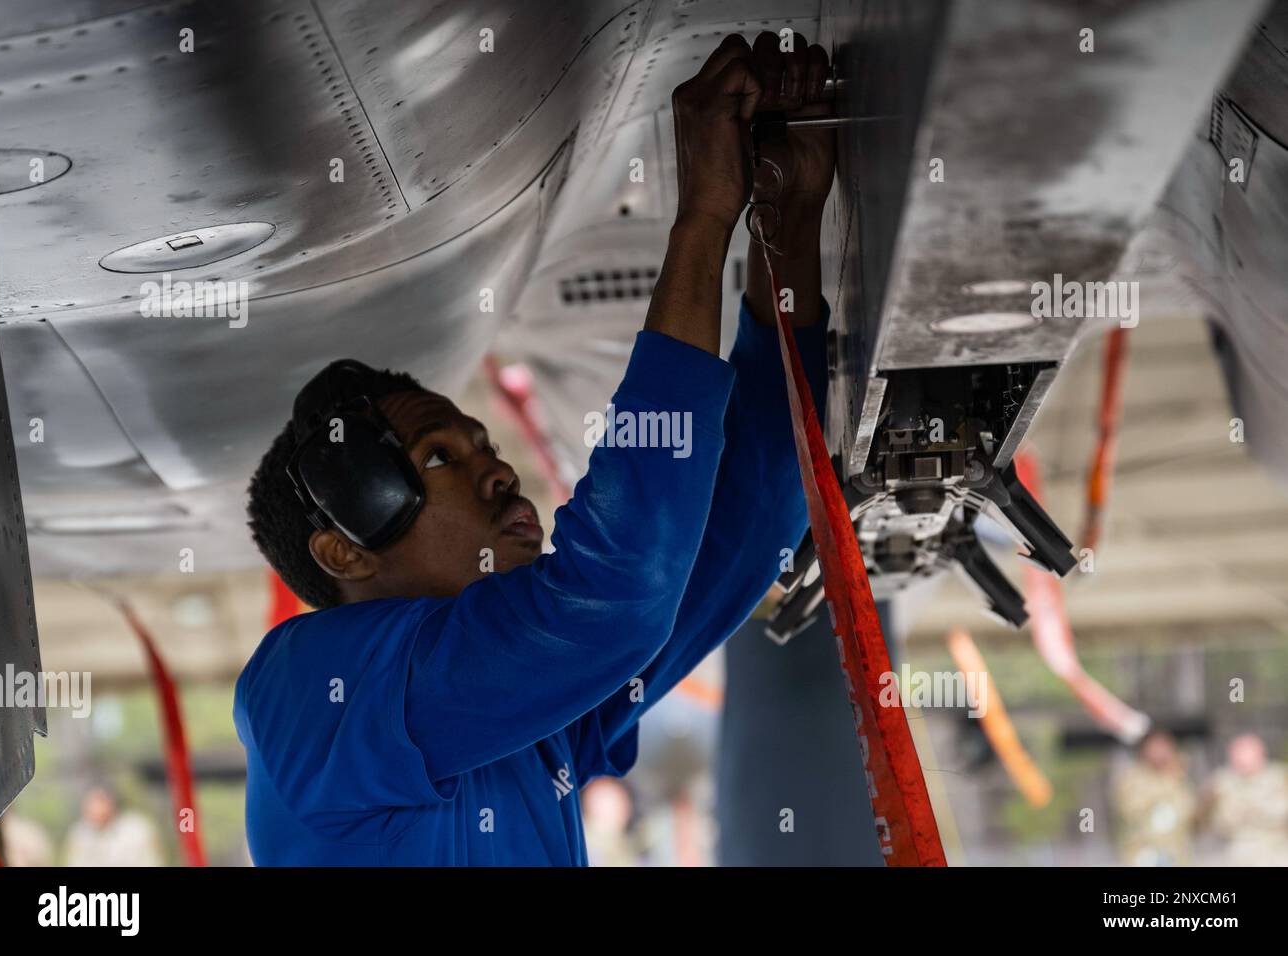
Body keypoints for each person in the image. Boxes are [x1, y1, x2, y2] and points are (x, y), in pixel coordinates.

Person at [235, 31, 835, 865]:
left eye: (477, 444)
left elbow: (749, 518)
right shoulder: (310, 696)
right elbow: (615, 596)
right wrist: (702, 213)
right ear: (345, 546)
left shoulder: (515, 709)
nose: (498, 469)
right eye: (439, 457)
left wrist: (788, 218)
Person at [1111, 728, 1198, 866]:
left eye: (1165, 746)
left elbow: (1189, 813)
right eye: (1155, 747)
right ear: (1144, 750)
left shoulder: (1179, 778)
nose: (1161, 752)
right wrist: (1166, 783)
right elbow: (1130, 809)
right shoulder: (1132, 778)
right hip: (1142, 852)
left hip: (1176, 853)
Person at [1205, 733, 1288, 866]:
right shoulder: (1222, 782)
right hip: (1237, 851)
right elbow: (1213, 820)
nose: (1241, 758)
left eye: (1246, 752)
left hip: (1276, 850)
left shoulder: (1280, 778)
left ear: (1261, 754)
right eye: (1236, 753)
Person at [62, 785, 163, 867]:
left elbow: (152, 862)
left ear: (112, 803)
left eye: (100, 802)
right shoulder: (79, 834)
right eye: (90, 804)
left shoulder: (138, 829)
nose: (95, 809)